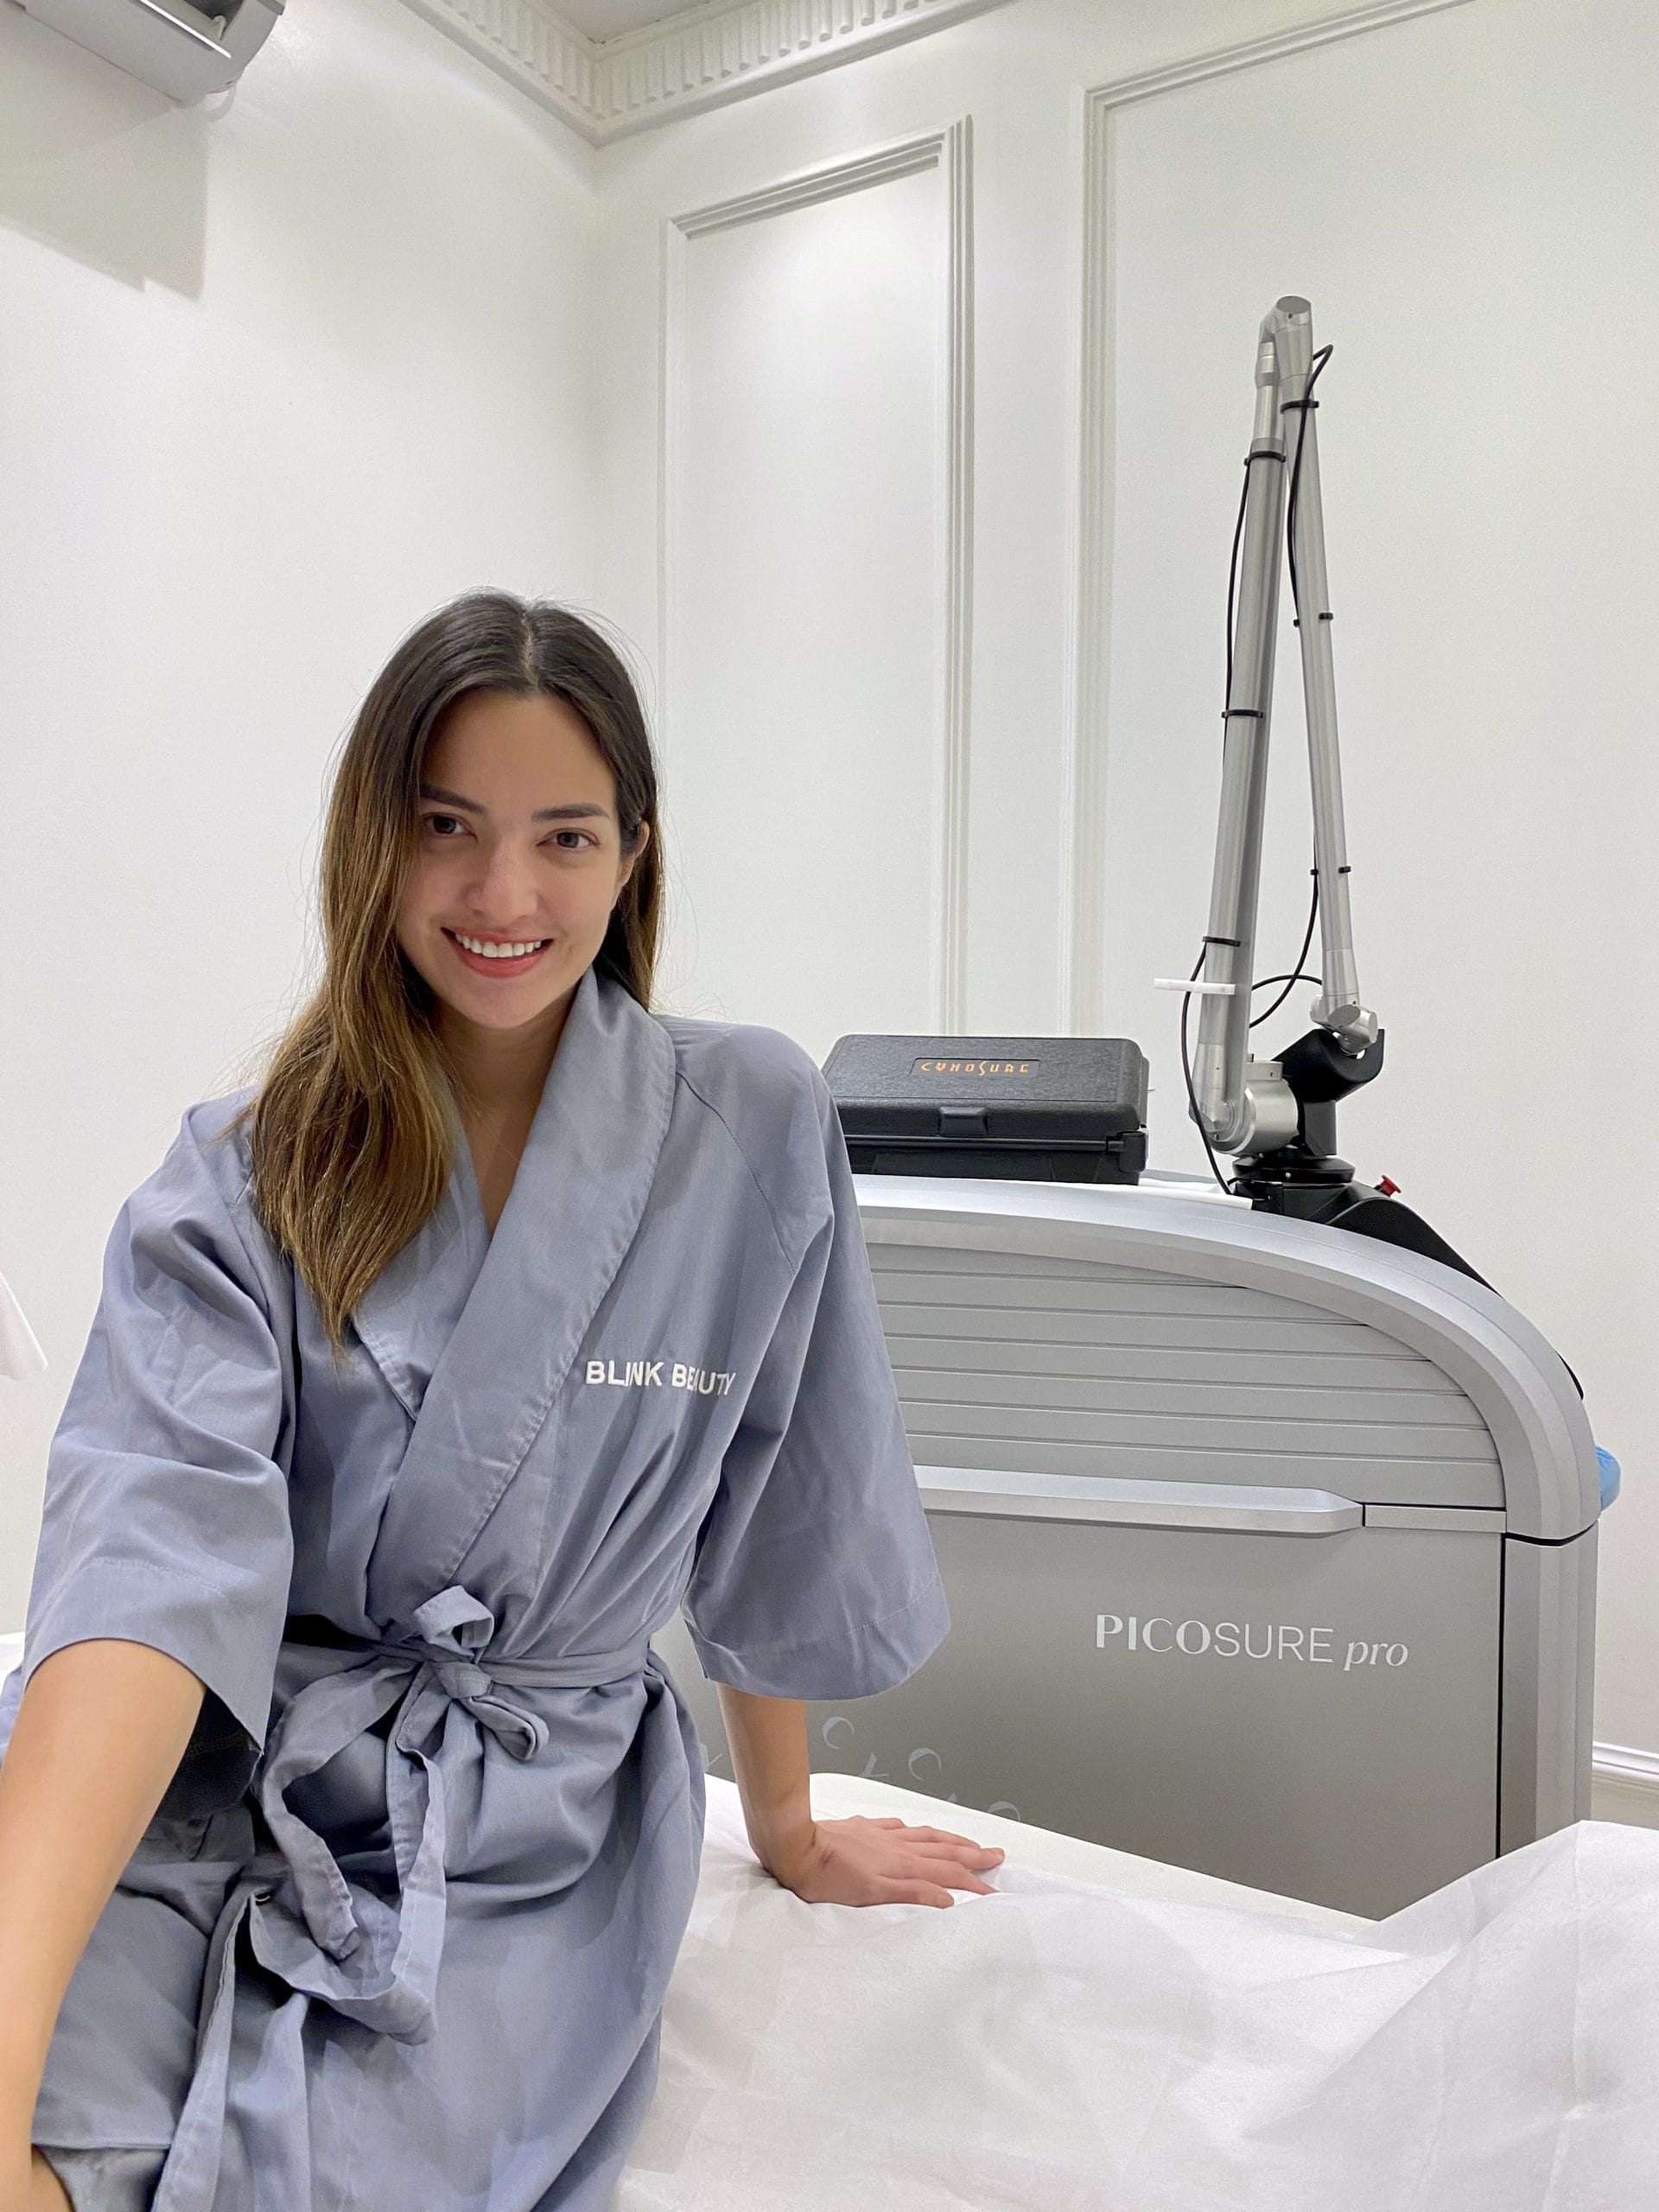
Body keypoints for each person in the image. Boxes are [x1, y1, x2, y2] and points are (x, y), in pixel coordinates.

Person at [0, 591, 1004, 2212]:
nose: (503, 894)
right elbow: (142, 1578)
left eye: (564, 836)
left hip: (526, 1819)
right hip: (227, 1756)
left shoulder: (748, 1123)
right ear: (371, 843)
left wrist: (792, 1825)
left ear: (635, 853)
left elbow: (784, 1502)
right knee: (49, 2127)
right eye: (447, 826)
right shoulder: (248, 1171)